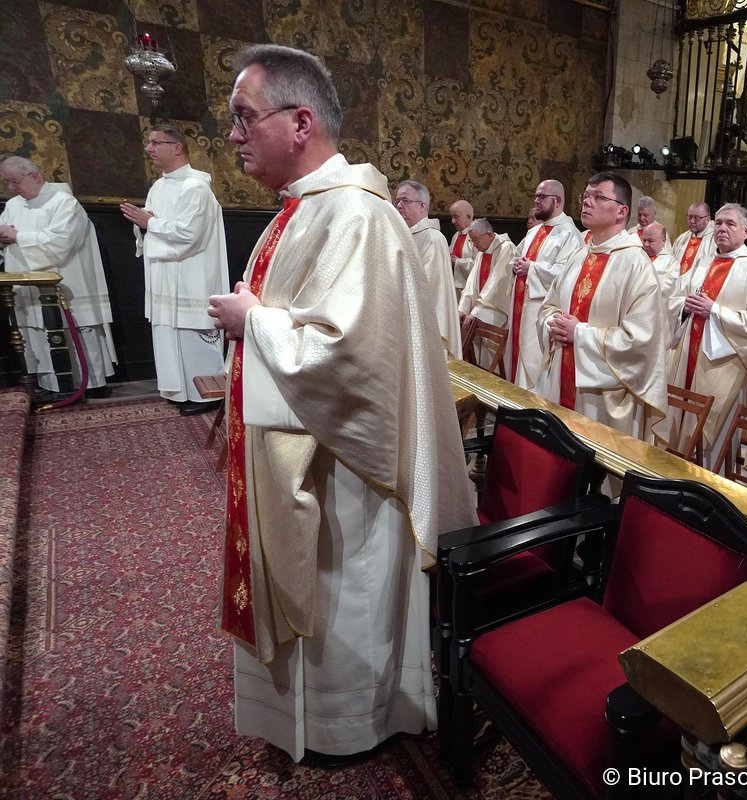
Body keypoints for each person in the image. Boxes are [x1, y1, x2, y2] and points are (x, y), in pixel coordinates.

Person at [205, 44, 476, 763]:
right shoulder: (300, 210)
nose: (233, 135)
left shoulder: (356, 215)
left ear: (300, 122)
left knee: (344, 588)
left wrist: (253, 323)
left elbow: (351, 357)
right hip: (295, 441)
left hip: (346, 468)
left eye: (244, 117)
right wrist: (254, 320)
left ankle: (350, 721)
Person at [536, 172, 667, 442]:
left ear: (622, 211)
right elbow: (549, 306)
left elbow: (641, 341)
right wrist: (552, 323)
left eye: (598, 197)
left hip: (602, 400)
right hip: (559, 381)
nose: (587, 202)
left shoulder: (636, 264)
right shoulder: (579, 255)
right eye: (586, 196)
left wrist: (579, 334)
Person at [119, 124, 229, 415]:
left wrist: (150, 223)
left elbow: (190, 234)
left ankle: (208, 395)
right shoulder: (159, 186)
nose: (149, 149)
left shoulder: (195, 188)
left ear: (177, 147)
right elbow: (152, 226)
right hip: (164, 275)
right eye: (149, 142)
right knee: (169, 333)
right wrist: (145, 225)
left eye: (156, 143)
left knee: (193, 336)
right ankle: (179, 390)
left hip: (192, 273)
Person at [0, 156, 117, 397]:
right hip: (27, 287)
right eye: (6, 182)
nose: (11, 188)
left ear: (35, 175)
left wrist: (18, 237)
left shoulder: (63, 202)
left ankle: (90, 385)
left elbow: (61, 242)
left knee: (77, 331)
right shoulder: (13, 206)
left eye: (15, 181)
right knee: (37, 332)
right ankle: (52, 386)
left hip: (69, 283)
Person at [666, 203, 747, 465]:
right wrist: (684, 306)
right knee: (679, 418)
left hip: (724, 364)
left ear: (746, 232)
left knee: (711, 431)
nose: (722, 228)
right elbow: (676, 295)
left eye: (730, 224)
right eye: (719, 223)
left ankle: (705, 479)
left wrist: (714, 311)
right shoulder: (704, 262)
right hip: (687, 354)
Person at [508, 179, 584, 389]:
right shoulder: (534, 232)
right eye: (536, 196)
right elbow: (516, 258)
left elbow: (567, 276)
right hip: (520, 308)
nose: (536, 201)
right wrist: (516, 265)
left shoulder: (569, 234)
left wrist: (532, 268)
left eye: (542, 197)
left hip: (539, 313)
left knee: (532, 370)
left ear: (557, 201)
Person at [394, 180, 462, 359]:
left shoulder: (433, 238)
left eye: (405, 201)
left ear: (422, 206)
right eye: (397, 201)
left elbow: (427, 286)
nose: (399, 205)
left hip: (425, 322)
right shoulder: (403, 235)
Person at [458, 218, 515, 364]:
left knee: (491, 358)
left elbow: (496, 285)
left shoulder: (506, 248)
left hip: (496, 314)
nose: (474, 245)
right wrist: (462, 309)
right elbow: (471, 283)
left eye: (475, 240)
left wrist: (476, 312)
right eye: (472, 240)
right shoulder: (482, 252)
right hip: (478, 315)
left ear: (489, 235)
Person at [641, 221, 680, 308]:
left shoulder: (671, 263)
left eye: (650, 241)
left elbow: (668, 287)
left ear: (663, 241)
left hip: (655, 307)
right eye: (644, 240)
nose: (646, 244)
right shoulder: (636, 256)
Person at [671, 202, 716, 275]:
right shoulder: (681, 238)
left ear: (707, 219)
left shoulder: (715, 240)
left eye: (696, 218)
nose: (692, 221)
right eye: (689, 217)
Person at [447, 199, 477, 294]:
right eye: (452, 217)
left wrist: (458, 262)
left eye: (456, 217)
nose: (452, 221)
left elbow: (480, 265)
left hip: (469, 289)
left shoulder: (477, 236)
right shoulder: (456, 235)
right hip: (453, 287)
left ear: (468, 216)